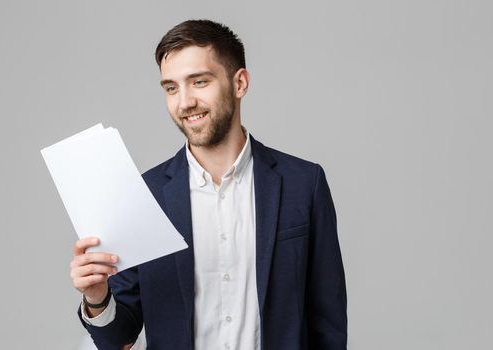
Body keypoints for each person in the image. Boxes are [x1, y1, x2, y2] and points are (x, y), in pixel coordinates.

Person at [69, 19, 347, 349]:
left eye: (199, 81)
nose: (184, 102)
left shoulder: (304, 183)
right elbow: (120, 337)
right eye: (171, 88)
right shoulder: (145, 195)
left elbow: (328, 323)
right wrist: (97, 297)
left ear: (239, 82)